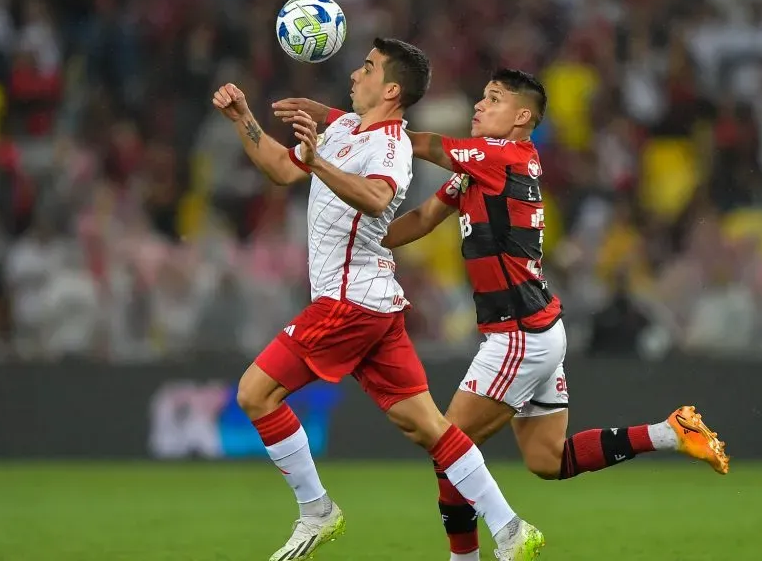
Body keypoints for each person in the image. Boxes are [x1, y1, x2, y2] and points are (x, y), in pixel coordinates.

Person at [274, 68, 730, 561]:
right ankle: (671, 431)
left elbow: (419, 142)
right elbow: (422, 220)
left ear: (522, 117)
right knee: (549, 460)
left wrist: (341, 120)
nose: (478, 105)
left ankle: (472, 555)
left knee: (449, 447)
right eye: (481, 96)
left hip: (517, 336)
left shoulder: (499, 156)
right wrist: (359, 238)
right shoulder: (484, 167)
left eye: (492, 99)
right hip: (540, 328)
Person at [213, 39, 545, 561]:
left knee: (256, 393)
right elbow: (282, 169)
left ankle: (316, 509)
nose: (354, 73)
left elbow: (376, 198)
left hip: (348, 303)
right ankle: (510, 527)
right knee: (429, 426)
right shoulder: (345, 128)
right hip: (377, 304)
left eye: (367, 67)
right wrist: (243, 118)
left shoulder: (389, 146)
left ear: (391, 88)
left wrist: (319, 163)